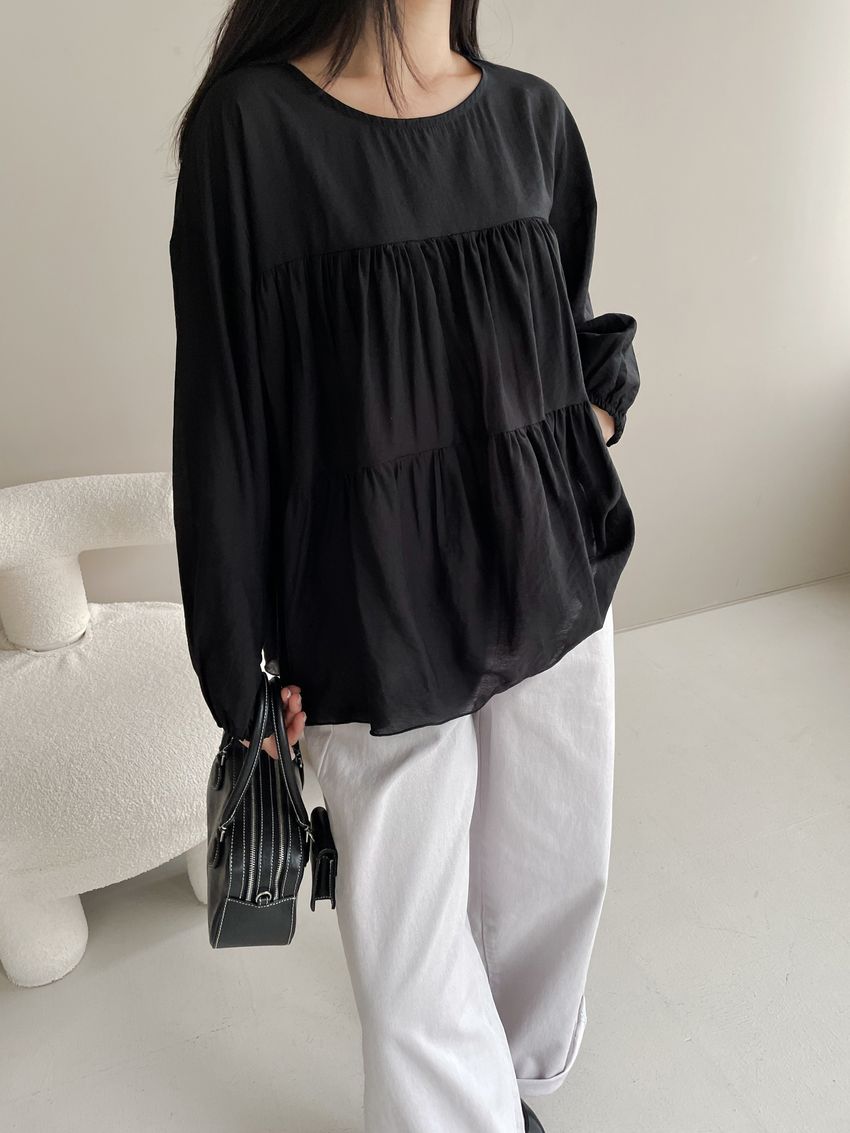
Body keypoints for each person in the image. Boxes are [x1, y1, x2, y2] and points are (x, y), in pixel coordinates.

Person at [168, 2, 640, 1130]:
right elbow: (224, 423)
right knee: (410, 955)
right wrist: (241, 672)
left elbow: (569, 329)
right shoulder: (252, 132)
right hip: (365, 609)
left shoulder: (531, 118)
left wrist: (589, 428)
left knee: (551, 884)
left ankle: (511, 1094)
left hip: (543, 578)